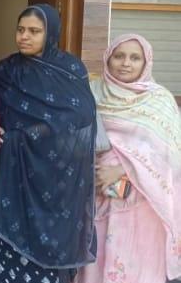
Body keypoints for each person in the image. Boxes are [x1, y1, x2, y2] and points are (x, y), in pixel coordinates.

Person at [0, 3, 97, 283]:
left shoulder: (70, 70)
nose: (24, 36)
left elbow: (82, 117)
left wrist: (31, 133)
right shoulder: (5, 71)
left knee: (46, 260)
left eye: (34, 31)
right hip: (9, 177)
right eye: (20, 29)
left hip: (55, 183)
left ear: (50, 33)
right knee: (3, 254)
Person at [75, 34, 181, 283]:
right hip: (95, 196)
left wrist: (121, 170)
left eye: (135, 58)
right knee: (95, 265)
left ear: (146, 63)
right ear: (107, 58)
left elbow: (171, 155)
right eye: (119, 56)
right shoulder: (91, 93)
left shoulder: (160, 100)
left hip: (143, 204)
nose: (126, 63)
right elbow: (73, 137)